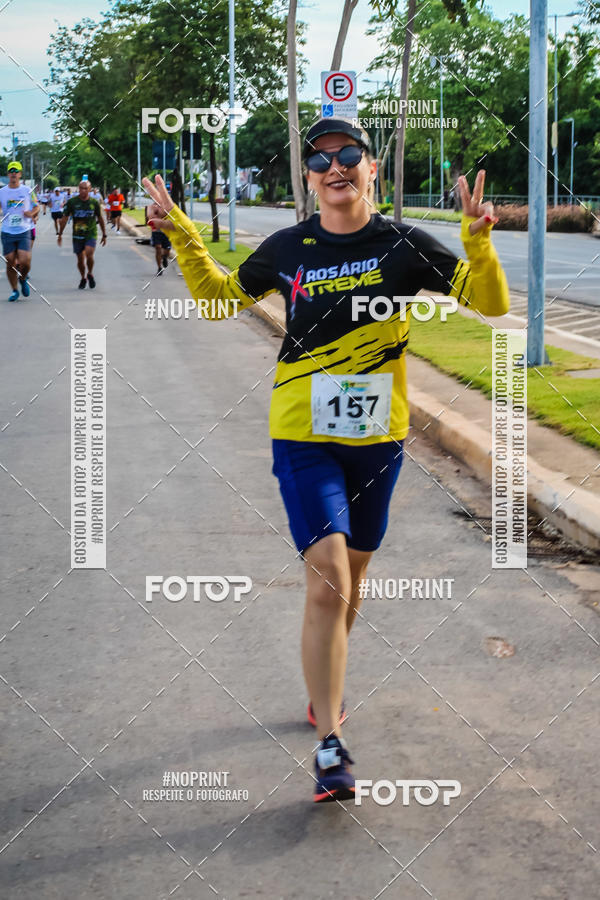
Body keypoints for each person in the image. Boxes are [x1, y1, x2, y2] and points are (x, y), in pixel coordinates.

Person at [142, 117, 510, 804]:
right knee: (329, 581)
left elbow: (488, 302)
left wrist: (478, 242)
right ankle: (331, 744)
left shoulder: (403, 244)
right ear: (308, 178)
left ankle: (324, 690)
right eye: (320, 160)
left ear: (371, 168)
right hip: (302, 433)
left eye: (348, 155)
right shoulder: (289, 247)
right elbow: (223, 303)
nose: (334, 167)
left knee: (355, 576)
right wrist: (185, 237)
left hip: (378, 439)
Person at [0, 160, 39, 301]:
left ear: (20, 174)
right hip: (7, 231)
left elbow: (37, 206)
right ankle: (14, 290)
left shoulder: (27, 191)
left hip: (24, 230)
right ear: (8, 174)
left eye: (16, 171)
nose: (13, 174)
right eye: (11, 171)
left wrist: (32, 213)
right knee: (10, 261)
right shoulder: (2, 192)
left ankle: (22, 279)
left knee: (25, 261)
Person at [57, 179, 107, 289]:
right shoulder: (72, 202)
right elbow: (65, 218)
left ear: (90, 189)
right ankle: (83, 277)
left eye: (85, 188)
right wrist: (60, 234)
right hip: (77, 234)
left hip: (91, 233)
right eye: (81, 188)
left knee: (89, 254)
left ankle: (90, 273)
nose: (83, 190)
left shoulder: (94, 202)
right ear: (78, 189)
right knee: (80, 259)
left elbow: (100, 218)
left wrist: (104, 234)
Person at [145, 204, 171, 275]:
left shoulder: (168, 207)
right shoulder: (152, 208)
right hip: (156, 232)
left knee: (167, 250)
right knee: (158, 248)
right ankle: (159, 268)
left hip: (166, 233)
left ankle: (164, 257)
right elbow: (149, 219)